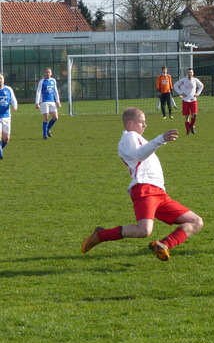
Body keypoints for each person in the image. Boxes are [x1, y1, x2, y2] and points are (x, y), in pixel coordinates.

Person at [81, 107, 203, 261]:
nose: (145, 126)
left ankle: (163, 245)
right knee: (143, 231)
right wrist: (160, 139)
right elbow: (139, 155)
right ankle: (100, 235)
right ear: (130, 123)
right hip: (145, 188)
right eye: (141, 122)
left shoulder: (137, 138)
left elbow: (143, 152)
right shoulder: (130, 136)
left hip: (159, 193)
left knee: (195, 221)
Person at [174, 68, 204, 135]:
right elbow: (175, 85)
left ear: (193, 73)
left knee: (195, 114)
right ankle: (188, 131)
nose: (189, 73)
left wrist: (198, 93)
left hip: (193, 100)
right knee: (187, 116)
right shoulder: (183, 80)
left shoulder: (195, 80)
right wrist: (181, 93)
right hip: (185, 100)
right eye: (188, 72)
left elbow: (201, 86)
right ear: (187, 73)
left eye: (191, 72)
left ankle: (191, 126)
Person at [35, 68, 61, 139]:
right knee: (46, 117)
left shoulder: (53, 81)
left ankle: (47, 129)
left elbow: (55, 91)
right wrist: (37, 103)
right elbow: (38, 92)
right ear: (44, 73)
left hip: (52, 101)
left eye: (49, 72)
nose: (48, 74)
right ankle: (44, 135)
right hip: (44, 102)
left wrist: (58, 102)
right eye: (46, 72)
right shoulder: (42, 81)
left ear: (51, 73)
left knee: (55, 117)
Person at [0, 74, 18, 159]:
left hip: (7, 116)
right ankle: (0, 153)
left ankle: (0, 150)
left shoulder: (8, 89)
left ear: (3, 79)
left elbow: (13, 100)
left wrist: (14, 106)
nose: (0, 80)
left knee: (6, 139)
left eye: (1, 78)